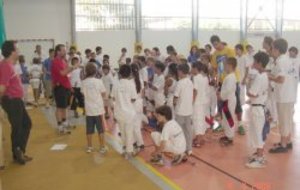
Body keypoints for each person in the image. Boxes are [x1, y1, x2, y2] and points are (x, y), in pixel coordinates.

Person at [0, 40, 32, 165]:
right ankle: (18, 151)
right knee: (18, 126)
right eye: (17, 49)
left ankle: (19, 151)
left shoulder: (8, 64)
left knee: (26, 124)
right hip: (12, 100)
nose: (18, 51)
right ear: (12, 52)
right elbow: (2, 87)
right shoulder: (6, 66)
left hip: (15, 100)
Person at [268, 39, 295, 153]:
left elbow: (281, 79)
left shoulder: (281, 61)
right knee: (287, 120)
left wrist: (269, 77)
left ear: (277, 49)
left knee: (284, 121)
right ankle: (287, 141)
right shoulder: (287, 59)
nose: (271, 50)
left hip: (284, 96)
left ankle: (283, 145)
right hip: (289, 94)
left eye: (272, 48)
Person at [246, 51, 269, 168]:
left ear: (259, 63)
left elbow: (252, 93)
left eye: (255, 61)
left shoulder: (259, 77)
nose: (253, 64)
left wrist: (248, 85)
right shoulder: (264, 75)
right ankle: (259, 155)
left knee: (258, 134)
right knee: (258, 133)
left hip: (257, 108)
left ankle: (260, 159)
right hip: (259, 107)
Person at [112, 64, 138, 159]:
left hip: (119, 112)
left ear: (120, 73)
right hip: (129, 113)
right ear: (130, 73)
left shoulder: (116, 84)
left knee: (122, 132)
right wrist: (127, 102)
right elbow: (134, 99)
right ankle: (129, 152)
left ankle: (124, 149)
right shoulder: (131, 84)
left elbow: (113, 97)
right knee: (129, 132)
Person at [81, 63, 107, 153]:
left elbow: (83, 93)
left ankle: (89, 147)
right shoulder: (99, 81)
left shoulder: (83, 82)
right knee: (101, 129)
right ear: (95, 72)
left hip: (89, 109)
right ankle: (102, 147)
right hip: (98, 109)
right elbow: (103, 93)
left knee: (89, 130)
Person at [51, 44, 76, 134]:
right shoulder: (56, 61)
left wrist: (70, 87)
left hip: (65, 86)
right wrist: (73, 67)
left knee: (65, 106)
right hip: (60, 87)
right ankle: (60, 126)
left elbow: (66, 71)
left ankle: (65, 122)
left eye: (65, 50)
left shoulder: (63, 60)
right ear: (58, 51)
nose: (65, 52)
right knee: (60, 107)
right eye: (63, 50)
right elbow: (62, 73)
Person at [173, 63, 193, 155]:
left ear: (180, 72)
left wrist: (174, 105)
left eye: (178, 71)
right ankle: (189, 149)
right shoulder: (190, 81)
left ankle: (180, 148)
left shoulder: (179, 83)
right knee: (188, 131)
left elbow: (176, 97)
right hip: (188, 110)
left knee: (179, 131)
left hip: (180, 111)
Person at [217, 57, 237, 146]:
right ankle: (227, 135)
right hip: (226, 100)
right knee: (225, 118)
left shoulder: (231, 77)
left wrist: (221, 96)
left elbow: (228, 90)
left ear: (230, 66)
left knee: (229, 119)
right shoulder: (229, 76)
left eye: (225, 65)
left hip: (228, 100)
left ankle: (230, 138)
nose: (224, 67)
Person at [191, 62, 210, 147]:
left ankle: (198, 139)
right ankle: (200, 137)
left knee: (197, 120)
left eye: (192, 68)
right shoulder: (204, 78)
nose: (191, 70)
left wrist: (192, 102)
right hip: (204, 101)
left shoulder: (196, 78)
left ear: (195, 69)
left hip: (197, 102)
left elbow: (195, 91)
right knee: (201, 119)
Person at [263, 37, 278, 128]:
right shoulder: (267, 54)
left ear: (268, 44)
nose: (262, 44)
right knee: (267, 101)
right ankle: (270, 118)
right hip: (267, 81)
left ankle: (275, 120)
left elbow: (273, 69)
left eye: (264, 42)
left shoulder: (273, 55)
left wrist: (265, 70)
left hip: (273, 81)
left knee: (272, 101)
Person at [131, 63, 145, 152]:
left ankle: (140, 143)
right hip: (140, 103)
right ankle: (137, 141)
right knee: (137, 125)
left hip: (133, 104)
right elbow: (142, 94)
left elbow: (131, 98)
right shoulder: (140, 80)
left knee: (134, 126)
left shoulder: (130, 82)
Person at [235, 44, 247, 135]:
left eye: (237, 49)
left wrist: (244, 79)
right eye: (235, 49)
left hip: (241, 80)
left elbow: (247, 69)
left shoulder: (244, 58)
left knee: (240, 100)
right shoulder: (235, 58)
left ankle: (240, 124)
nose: (236, 51)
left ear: (241, 50)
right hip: (235, 81)